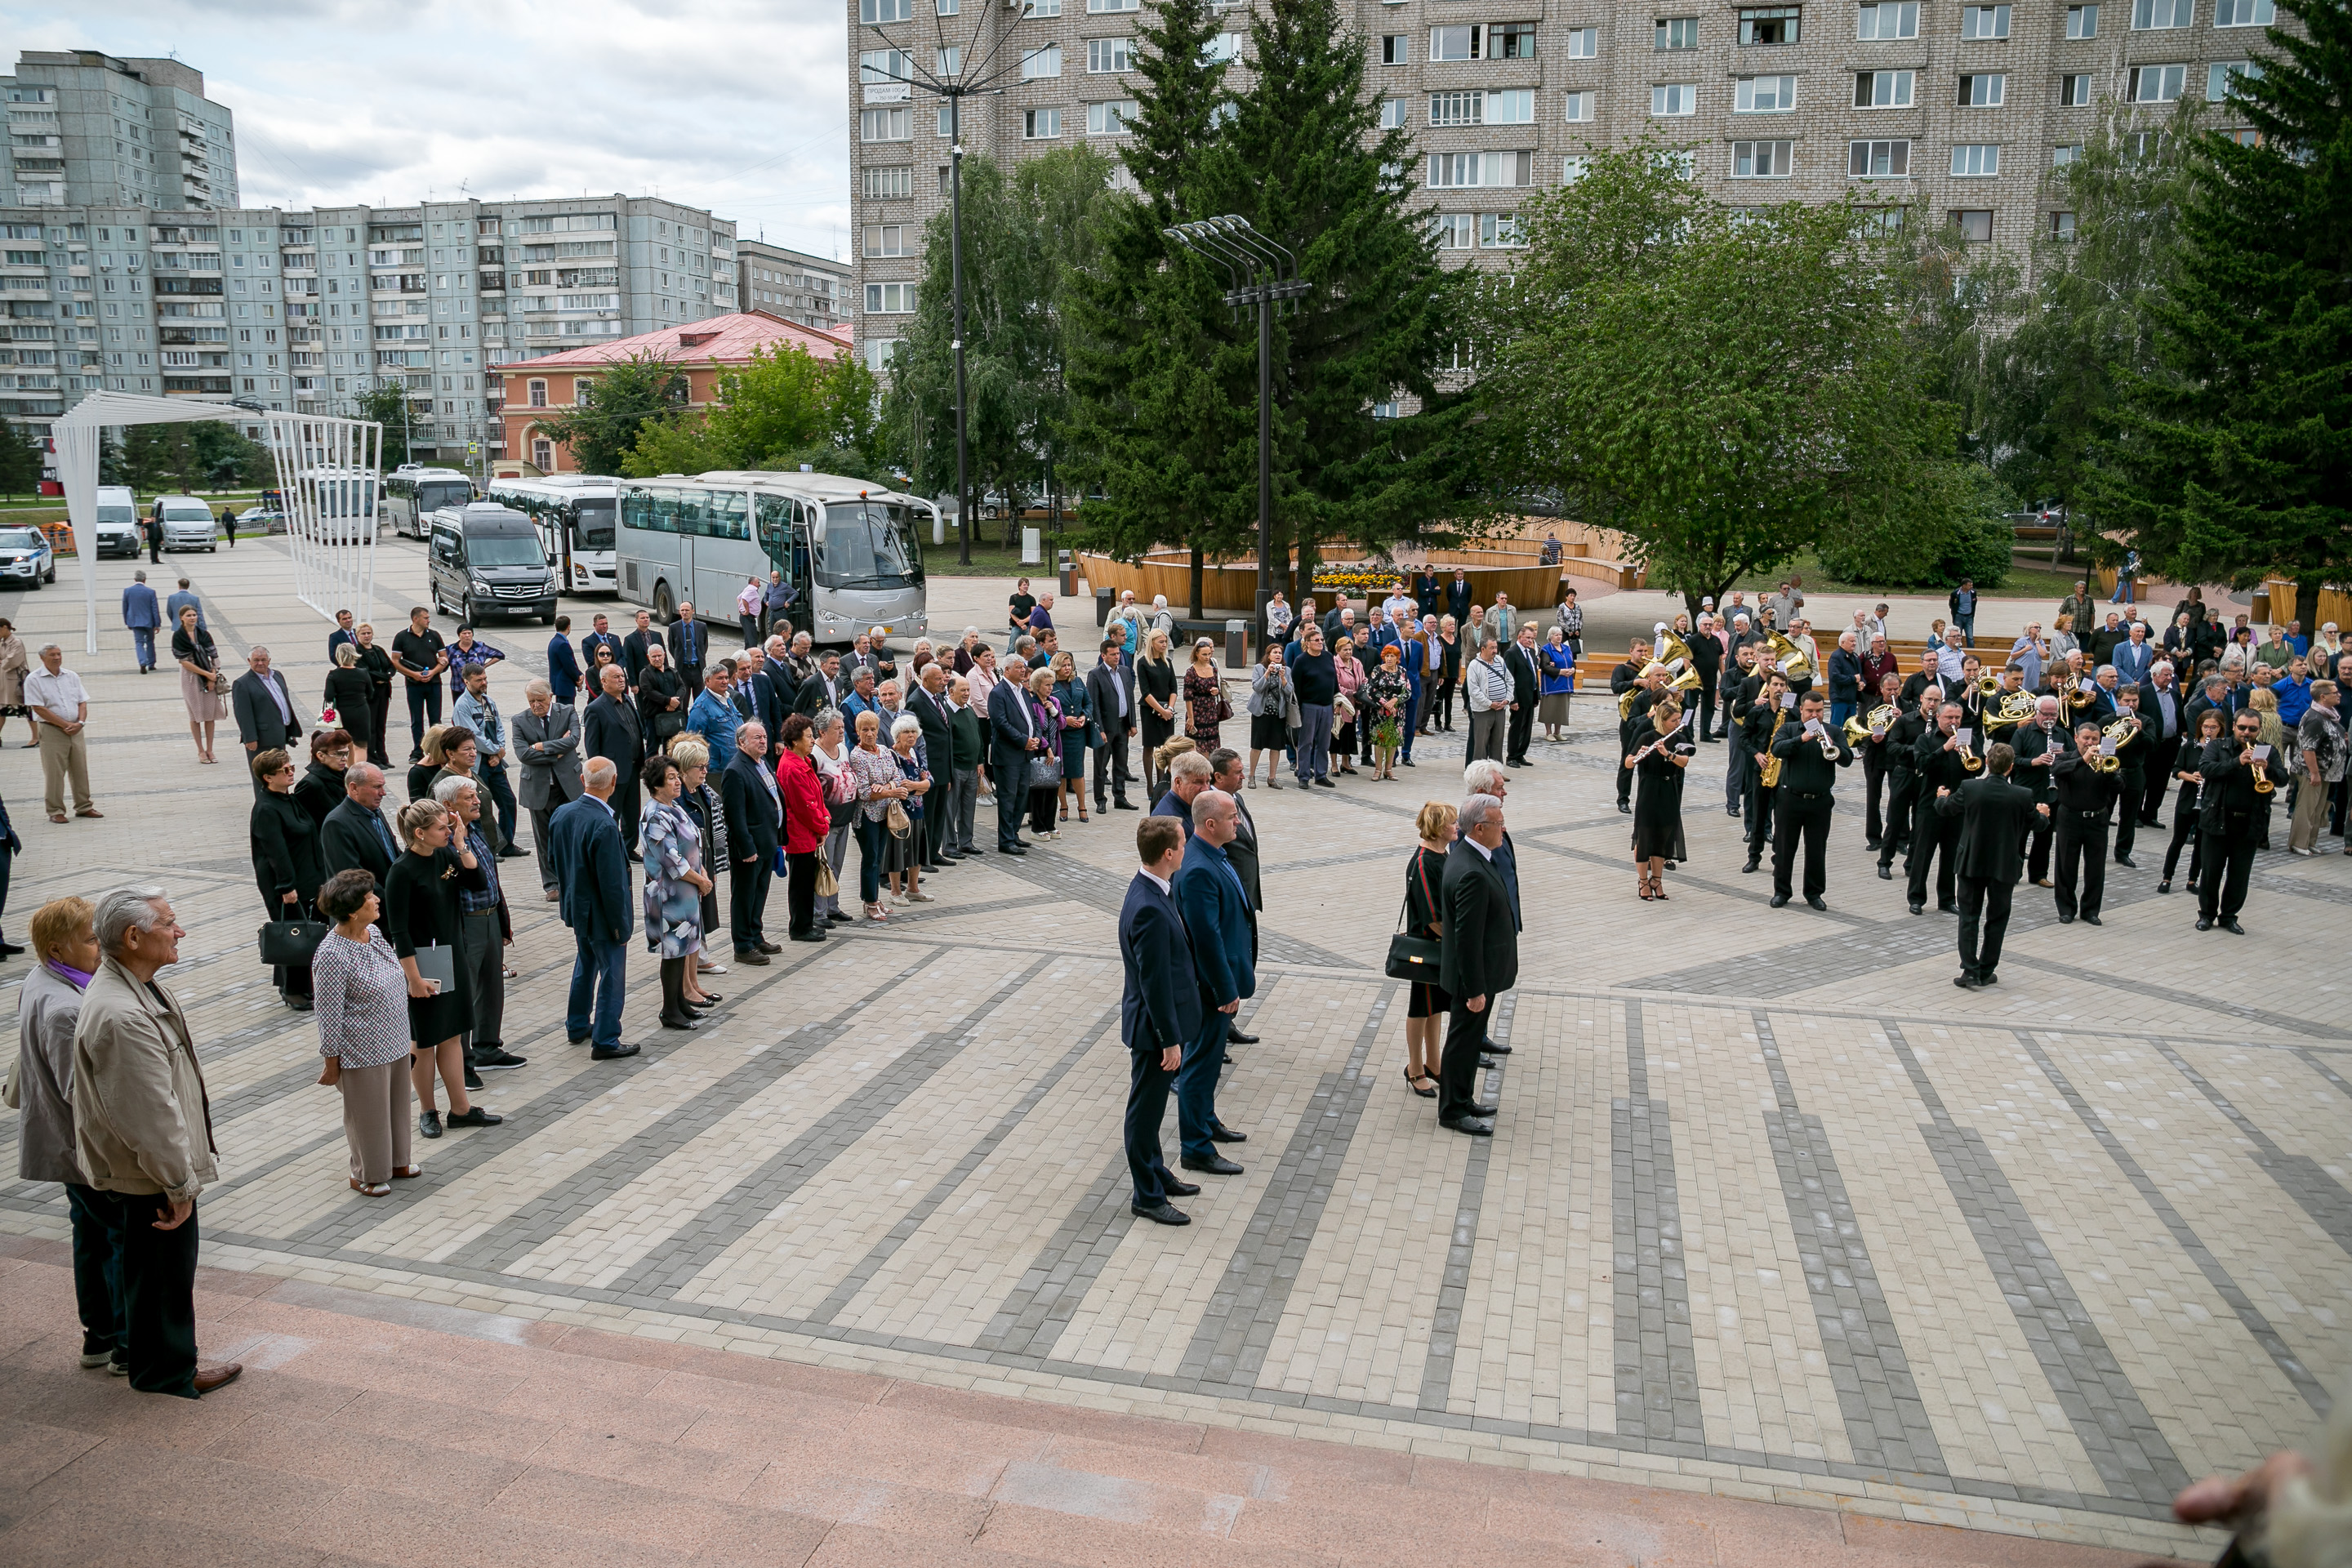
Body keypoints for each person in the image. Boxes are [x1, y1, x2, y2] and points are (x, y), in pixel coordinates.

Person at [70, 886, 241, 1397]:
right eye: (169, 923)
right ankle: (166, 1373)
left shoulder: (133, 985)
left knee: (152, 1275)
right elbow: (149, 1116)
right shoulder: (122, 1013)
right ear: (132, 936)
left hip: (141, 1171)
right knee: (162, 1279)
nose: (180, 931)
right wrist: (178, 1186)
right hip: (147, 1177)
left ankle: (153, 1363)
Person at [8, 896, 125, 1374]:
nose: (101, 948)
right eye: (91, 940)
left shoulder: (41, 977)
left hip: (67, 1147)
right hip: (82, 1151)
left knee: (90, 1236)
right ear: (58, 949)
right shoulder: (64, 1009)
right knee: (116, 1238)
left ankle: (98, 1337)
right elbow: (81, 1095)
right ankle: (122, 1343)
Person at [382, 798, 501, 1138]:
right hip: (423, 963)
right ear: (419, 833)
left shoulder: (447, 855)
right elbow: (399, 931)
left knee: (452, 1035)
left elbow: (478, 883)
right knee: (423, 1041)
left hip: (452, 955)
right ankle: (427, 1110)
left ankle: (461, 1109)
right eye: (441, 828)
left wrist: (461, 844)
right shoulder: (401, 871)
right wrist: (413, 978)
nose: (447, 831)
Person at [310, 870, 418, 1196]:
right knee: (368, 1116)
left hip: (395, 1040)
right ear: (353, 910)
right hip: (362, 1048)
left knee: (398, 1106)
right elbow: (328, 1014)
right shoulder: (331, 954)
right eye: (370, 897)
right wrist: (331, 1061)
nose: (377, 899)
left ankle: (397, 1160)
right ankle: (367, 1173)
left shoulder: (374, 933)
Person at [1114, 817, 1200, 1224]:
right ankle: (1146, 1196)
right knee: (1144, 1114)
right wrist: (1169, 1039)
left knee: (1149, 1111)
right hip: (1153, 1032)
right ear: (1169, 853)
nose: (1187, 847)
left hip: (1158, 1027)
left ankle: (1157, 1174)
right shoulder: (1149, 906)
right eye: (1183, 843)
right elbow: (1154, 983)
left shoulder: (1154, 888)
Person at [1173, 789, 1253, 1177]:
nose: (1237, 821)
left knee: (1205, 1064)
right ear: (1210, 824)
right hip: (1211, 989)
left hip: (1219, 983)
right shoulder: (1200, 867)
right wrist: (1225, 990)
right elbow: (1207, 938)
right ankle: (1195, 1148)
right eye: (1232, 816)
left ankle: (1207, 1121)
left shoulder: (1211, 855)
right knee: (1200, 1066)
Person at [548, 758, 637, 1059]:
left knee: (585, 966)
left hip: (577, 909)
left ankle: (576, 1026)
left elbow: (553, 862)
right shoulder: (605, 824)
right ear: (613, 784)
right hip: (602, 915)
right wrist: (621, 926)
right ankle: (606, 1039)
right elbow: (613, 885)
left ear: (583, 781)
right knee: (612, 974)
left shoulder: (562, 813)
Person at [1936, 742, 2043, 987]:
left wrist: (1941, 797)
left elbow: (1946, 809)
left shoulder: (1970, 788)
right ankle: (1987, 969)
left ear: (1987, 763)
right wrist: (2044, 813)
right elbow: (2038, 825)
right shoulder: (2022, 794)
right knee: (1997, 918)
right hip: (2004, 866)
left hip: (1971, 863)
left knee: (1968, 917)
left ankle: (1970, 970)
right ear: (2011, 767)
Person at [1437, 794, 1514, 1137]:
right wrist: (1474, 990)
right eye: (1499, 824)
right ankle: (1452, 1109)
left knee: (1468, 1042)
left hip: (1480, 974)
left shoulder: (1470, 855)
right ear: (1480, 829)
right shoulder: (1471, 871)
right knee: (1462, 1042)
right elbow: (1467, 938)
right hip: (1474, 977)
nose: (1504, 829)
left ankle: (1463, 1098)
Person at [436, 775, 522, 1075]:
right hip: (465, 924)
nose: (477, 801)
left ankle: (487, 1048)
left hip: (489, 918)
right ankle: (462, 1062)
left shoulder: (475, 829)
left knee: (492, 987)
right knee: (465, 992)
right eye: (469, 797)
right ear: (448, 805)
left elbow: (491, 878)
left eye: (476, 796)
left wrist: (501, 920)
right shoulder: (443, 839)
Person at [2197, 708, 2292, 932]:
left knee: (2239, 874)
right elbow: (2206, 769)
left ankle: (2229, 916)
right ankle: (2207, 915)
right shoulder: (2218, 747)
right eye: (2242, 728)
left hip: (2250, 822)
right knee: (2211, 872)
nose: (2246, 733)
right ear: (2233, 727)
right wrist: (2237, 762)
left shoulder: (2267, 751)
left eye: (2252, 729)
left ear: (2259, 730)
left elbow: (2283, 778)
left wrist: (2268, 769)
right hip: (2217, 819)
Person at [639, 752, 715, 1027]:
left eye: (677, 776)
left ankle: (681, 1002)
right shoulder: (654, 815)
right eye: (670, 778)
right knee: (672, 953)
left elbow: (692, 841)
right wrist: (701, 880)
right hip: (669, 896)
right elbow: (673, 861)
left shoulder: (673, 807)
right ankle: (669, 1010)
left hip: (686, 893)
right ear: (656, 784)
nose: (677, 782)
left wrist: (702, 872)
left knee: (684, 949)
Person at [249, 748, 324, 1010]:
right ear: (268, 778)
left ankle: (293, 985)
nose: (292, 772)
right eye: (285, 770)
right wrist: (286, 886)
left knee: (295, 931)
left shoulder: (287, 799)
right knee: (294, 933)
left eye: (291, 767)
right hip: (285, 884)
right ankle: (294, 990)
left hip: (302, 878)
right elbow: (275, 853)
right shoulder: (267, 809)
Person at [1400, 802, 1454, 1099]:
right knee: (1420, 1008)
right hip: (1427, 948)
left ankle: (1433, 1062)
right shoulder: (1424, 861)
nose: (1457, 827)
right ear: (1438, 827)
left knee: (1435, 1007)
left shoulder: (1440, 855)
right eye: (1452, 823)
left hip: (1438, 948)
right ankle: (1414, 1067)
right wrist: (1456, 941)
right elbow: (1433, 918)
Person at [668, 739, 728, 1005]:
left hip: (701, 867)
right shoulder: (677, 801)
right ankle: (685, 989)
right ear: (683, 769)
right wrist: (698, 875)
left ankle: (693, 983)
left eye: (706, 766)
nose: (705, 771)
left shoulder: (701, 792)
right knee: (686, 934)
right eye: (699, 767)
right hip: (684, 877)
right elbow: (675, 850)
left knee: (697, 929)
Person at [514, 679, 582, 901]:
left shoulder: (568, 711)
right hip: (538, 788)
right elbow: (523, 754)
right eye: (531, 701)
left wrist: (542, 747)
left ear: (551, 696)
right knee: (544, 840)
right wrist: (556, 752)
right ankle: (552, 884)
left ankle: (572, 879)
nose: (536, 706)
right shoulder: (520, 721)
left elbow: (573, 740)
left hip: (567, 787)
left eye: (540, 700)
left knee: (570, 836)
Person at [722, 719, 783, 961]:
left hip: (767, 843)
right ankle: (743, 945)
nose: (763, 741)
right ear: (741, 742)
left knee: (759, 893)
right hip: (749, 848)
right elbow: (735, 817)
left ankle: (756, 935)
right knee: (744, 896)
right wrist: (747, 847)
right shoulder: (735, 771)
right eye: (756, 738)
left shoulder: (762, 762)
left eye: (764, 737)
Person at [1905, 702, 1972, 915]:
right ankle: (1916, 898)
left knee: (1951, 855)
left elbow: (1975, 767)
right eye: (1949, 718)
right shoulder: (1925, 739)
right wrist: (1944, 749)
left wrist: (1972, 758)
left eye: (1957, 718)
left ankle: (1946, 899)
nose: (1954, 722)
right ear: (1938, 718)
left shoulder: (1966, 738)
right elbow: (1922, 765)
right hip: (1929, 807)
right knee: (1923, 853)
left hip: (1956, 806)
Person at [1628, 695, 1693, 900]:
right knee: (1645, 835)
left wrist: (1668, 754)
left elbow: (1684, 762)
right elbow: (1628, 763)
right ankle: (1643, 881)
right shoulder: (1647, 737)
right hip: (1649, 790)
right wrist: (1640, 754)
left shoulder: (1679, 739)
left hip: (1669, 790)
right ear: (1662, 721)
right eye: (1674, 721)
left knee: (1663, 837)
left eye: (1679, 720)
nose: (1678, 724)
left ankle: (1657, 879)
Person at [772, 715, 830, 943]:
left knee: (806, 882)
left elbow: (816, 797)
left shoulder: (803, 760)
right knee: (800, 884)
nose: (813, 740)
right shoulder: (791, 767)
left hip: (808, 832)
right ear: (794, 740)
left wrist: (823, 817)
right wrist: (822, 825)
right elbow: (804, 806)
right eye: (808, 736)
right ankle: (799, 927)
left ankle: (806, 923)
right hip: (799, 834)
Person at [452, 665, 522, 857]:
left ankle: (506, 845)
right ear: (466, 682)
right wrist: (495, 751)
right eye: (478, 680)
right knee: (481, 807)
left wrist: (499, 753)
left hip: (495, 762)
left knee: (508, 802)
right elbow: (472, 736)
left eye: (484, 678)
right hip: (477, 764)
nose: (484, 682)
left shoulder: (489, 702)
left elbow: (499, 727)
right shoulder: (462, 706)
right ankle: (488, 848)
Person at [26, 644, 99, 824]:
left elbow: (82, 701)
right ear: (43, 658)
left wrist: (80, 723)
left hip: (76, 730)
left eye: (59, 654)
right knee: (54, 772)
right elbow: (38, 708)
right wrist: (65, 725)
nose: (57, 657)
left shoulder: (71, 676)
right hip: (52, 731)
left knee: (80, 769)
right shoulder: (34, 679)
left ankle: (84, 806)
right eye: (52, 655)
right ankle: (55, 810)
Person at [584, 664, 645, 856]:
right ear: (603, 681)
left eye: (622, 676)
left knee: (632, 812)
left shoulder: (627, 701)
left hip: (633, 768)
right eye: (616, 677)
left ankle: (628, 849)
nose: (621, 679)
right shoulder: (596, 709)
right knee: (613, 813)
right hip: (612, 774)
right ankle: (611, 851)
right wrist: (600, 774)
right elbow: (592, 747)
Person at [987, 657, 1043, 855]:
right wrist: (1023, 740)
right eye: (1018, 668)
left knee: (1021, 797)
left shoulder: (1024, 691)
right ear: (1007, 669)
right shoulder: (998, 693)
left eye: (1024, 667)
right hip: (1008, 755)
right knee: (1008, 798)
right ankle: (1005, 840)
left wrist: (1036, 737)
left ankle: (1014, 833)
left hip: (1025, 754)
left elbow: (1033, 718)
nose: (1023, 671)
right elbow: (1001, 723)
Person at [321, 763, 399, 889]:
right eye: (377, 787)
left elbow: (391, 853)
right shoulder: (337, 823)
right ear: (354, 788)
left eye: (383, 786)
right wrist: (387, 899)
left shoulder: (376, 812)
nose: (383, 793)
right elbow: (350, 877)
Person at [884, 714, 933, 904]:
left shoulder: (915, 754)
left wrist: (918, 786)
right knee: (897, 851)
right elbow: (900, 785)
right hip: (899, 811)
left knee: (917, 849)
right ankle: (895, 891)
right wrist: (919, 785)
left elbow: (929, 780)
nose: (911, 735)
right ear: (897, 735)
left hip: (917, 809)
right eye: (906, 732)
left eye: (913, 731)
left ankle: (913, 889)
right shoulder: (891, 755)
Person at [2291, 680, 2345, 855]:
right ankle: (2299, 842)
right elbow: (2308, 748)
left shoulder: (2328, 714)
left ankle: (2311, 841)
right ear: (2323, 697)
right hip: (2312, 772)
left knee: (2318, 808)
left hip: (2327, 772)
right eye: (2335, 693)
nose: (2339, 695)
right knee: (2306, 808)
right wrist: (2314, 773)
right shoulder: (2315, 718)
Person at [169, 605, 228, 765]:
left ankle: (210, 749)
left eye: (194, 615)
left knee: (210, 715)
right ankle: (200, 750)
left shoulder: (204, 634)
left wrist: (212, 676)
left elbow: (214, 656)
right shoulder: (178, 636)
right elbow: (184, 662)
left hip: (209, 675)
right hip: (191, 678)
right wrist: (206, 674)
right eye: (189, 615)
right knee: (195, 716)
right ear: (182, 618)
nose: (192, 617)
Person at [389, 607, 449, 763]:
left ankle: (437, 750)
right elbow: (395, 661)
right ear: (415, 619)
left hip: (434, 683)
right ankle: (418, 750)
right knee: (417, 719)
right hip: (413, 685)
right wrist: (413, 674)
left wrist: (434, 672)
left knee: (436, 719)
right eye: (425, 618)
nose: (429, 620)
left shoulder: (434, 636)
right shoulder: (402, 637)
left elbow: (444, 659)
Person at [1049, 650, 1094, 826]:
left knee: (1077, 770)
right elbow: (1046, 708)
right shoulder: (1051, 684)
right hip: (1060, 733)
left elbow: (1088, 703)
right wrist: (1064, 719)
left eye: (1069, 665)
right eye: (1064, 665)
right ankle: (1063, 805)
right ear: (1056, 667)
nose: (1067, 668)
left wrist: (1084, 716)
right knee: (1061, 772)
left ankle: (1082, 806)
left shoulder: (1077, 682)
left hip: (1078, 734)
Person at [1245, 641, 1295, 790]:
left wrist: (1283, 678)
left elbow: (1290, 691)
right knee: (1257, 745)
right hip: (1261, 713)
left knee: (1276, 747)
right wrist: (1267, 673)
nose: (1278, 655)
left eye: (1280, 653)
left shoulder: (1287, 671)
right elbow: (1257, 687)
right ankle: (1251, 776)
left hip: (1278, 715)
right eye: (1275, 653)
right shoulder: (1259, 668)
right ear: (1268, 655)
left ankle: (1272, 777)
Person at [1135, 630, 1178, 798]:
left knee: (1165, 748)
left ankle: (1162, 784)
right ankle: (1150, 786)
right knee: (1150, 746)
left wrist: (1169, 710)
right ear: (1152, 643)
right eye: (1161, 641)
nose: (1164, 644)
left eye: (1165, 641)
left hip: (1167, 709)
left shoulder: (1167, 661)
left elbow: (1173, 688)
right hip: (1150, 710)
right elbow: (1145, 692)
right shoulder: (1143, 663)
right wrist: (1161, 710)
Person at [351, 623, 397, 768]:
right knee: (370, 727)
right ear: (358, 636)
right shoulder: (357, 652)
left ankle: (382, 756)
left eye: (369, 633)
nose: (367, 636)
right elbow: (365, 671)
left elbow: (391, 666)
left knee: (381, 726)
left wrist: (386, 676)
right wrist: (383, 676)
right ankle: (372, 757)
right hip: (369, 695)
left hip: (383, 693)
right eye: (363, 634)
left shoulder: (378, 650)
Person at [320, 644, 374, 766]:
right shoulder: (363, 673)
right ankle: (359, 772)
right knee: (361, 745)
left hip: (342, 713)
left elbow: (328, 696)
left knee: (346, 745)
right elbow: (371, 693)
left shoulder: (333, 675)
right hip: (361, 712)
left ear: (339, 656)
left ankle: (348, 772)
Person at [293, 729, 353, 834]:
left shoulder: (347, 774)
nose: (344, 759)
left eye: (346, 753)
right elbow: (302, 823)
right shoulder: (310, 784)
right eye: (338, 754)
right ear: (321, 756)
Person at [1502, 624, 1541, 766]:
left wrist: (1536, 695)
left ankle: (1520, 754)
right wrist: (1513, 700)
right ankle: (1511, 756)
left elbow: (1533, 674)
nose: (1530, 641)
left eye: (1531, 638)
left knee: (1527, 727)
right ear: (1519, 637)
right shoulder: (1511, 653)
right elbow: (1509, 677)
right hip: (1518, 697)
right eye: (1527, 638)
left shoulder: (1530, 652)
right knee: (1516, 727)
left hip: (1530, 696)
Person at [638, 639, 688, 748]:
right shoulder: (645, 674)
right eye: (654, 656)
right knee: (652, 747)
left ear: (664, 655)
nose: (657, 659)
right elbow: (649, 691)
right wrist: (668, 701)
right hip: (654, 716)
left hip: (672, 715)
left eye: (659, 656)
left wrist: (675, 701)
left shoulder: (672, 671)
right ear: (648, 657)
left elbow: (682, 687)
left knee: (671, 746)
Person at [1331, 635, 1365, 774]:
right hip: (1339, 704)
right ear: (1338, 650)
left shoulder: (1356, 662)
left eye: (1350, 649)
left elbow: (1363, 679)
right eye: (1345, 650)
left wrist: (1361, 693)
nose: (1348, 652)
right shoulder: (1334, 663)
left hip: (1353, 706)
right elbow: (1336, 685)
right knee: (1336, 734)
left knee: (1349, 734)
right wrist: (1352, 693)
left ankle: (1346, 763)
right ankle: (1334, 765)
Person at [1536, 626, 1575, 742]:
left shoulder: (1567, 648)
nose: (1559, 637)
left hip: (1565, 683)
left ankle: (1558, 732)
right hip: (1552, 684)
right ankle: (1548, 732)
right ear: (1550, 636)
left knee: (1561, 709)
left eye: (1560, 635)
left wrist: (1573, 669)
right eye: (1556, 635)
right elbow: (1544, 666)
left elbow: (1572, 662)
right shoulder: (1546, 649)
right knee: (1550, 708)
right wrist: (1560, 672)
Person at [121, 569, 163, 674]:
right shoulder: (150, 592)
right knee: (150, 642)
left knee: (139, 643)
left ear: (135, 579)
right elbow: (155, 608)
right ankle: (151, 664)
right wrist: (157, 623)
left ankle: (142, 662)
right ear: (145, 580)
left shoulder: (127, 591)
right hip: (149, 622)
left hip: (135, 621)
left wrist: (127, 621)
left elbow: (125, 607)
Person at [0, 616, 31, 748]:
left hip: (16, 681)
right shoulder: (2, 643)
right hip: (4, 682)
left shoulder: (16, 642)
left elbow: (13, 660)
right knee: (1, 709)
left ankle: (36, 737)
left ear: (5, 628)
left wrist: (3, 662)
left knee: (26, 709)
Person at [666, 600, 708, 689]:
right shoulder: (674, 627)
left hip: (698, 668)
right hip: (683, 669)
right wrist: (679, 657)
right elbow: (672, 647)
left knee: (700, 699)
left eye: (687, 610)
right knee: (683, 699)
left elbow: (704, 645)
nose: (684, 613)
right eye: (682, 610)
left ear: (693, 611)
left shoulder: (702, 626)